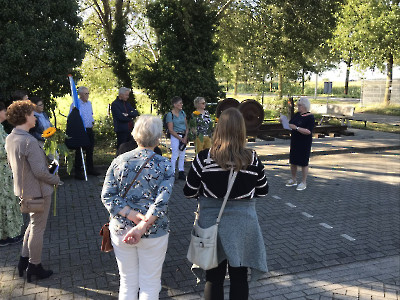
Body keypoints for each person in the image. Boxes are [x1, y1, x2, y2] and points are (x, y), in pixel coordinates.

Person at [183, 107, 269, 300]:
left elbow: (188, 192)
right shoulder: (252, 158)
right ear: (242, 130)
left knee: (213, 278)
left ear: (218, 128)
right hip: (243, 225)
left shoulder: (203, 158)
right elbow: (263, 191)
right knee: (239, 277)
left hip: (211, 224)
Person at [101, 115, 174, 300]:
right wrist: (142, 226)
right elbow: (161, 201)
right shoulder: (165, 164)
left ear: (135, 135)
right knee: (150, 284)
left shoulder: (119, 161)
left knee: (127, 283)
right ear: (158, 138)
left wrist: (131, 214)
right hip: (154, 231)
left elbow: (107, 195)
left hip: (121, 230)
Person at [5, 100, 61, 282]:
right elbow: (39, 172)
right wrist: (56, 179)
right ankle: (34, 265)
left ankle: (23, 260)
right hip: (38, 191)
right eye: (32, 114)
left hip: (24, 190)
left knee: (32, 224)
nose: (35, 117)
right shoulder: (28, 141)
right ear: (24, 117)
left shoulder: (11, 137)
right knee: (38, 228)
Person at [0, 101, 23, 247]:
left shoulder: (1, 127)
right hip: (2, 173)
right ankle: (7, 235)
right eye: (4, 111)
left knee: (8, 200)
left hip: (5, 171)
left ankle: (9, 233)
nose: (6, 114)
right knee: (5, 201)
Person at [69, 86, 99, 179]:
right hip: (81, 130)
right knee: (80, 151)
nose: (87, 95)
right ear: (80, 94)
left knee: (90, 150)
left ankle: (90, 168)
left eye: (88, 93)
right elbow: (72, 118)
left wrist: (92, 121)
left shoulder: (89, 103)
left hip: (89, 129)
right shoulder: (75, 104)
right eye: (85, 94)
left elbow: (91, 114)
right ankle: (78, 172)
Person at [285, 97, 315, 191]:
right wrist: (285, 123)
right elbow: (291, 125)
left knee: (303, 162)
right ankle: (294, 179)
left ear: (305, 106)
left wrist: (297, 128)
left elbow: (308, 131)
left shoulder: (310, 117)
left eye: (300, 105)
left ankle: (303, 182)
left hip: (304, 143)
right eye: (298, 105)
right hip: (295, 141)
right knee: (293, 161)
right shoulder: (297, 114)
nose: (298, 107)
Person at [165, 96, 188, 180]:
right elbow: (171, 130)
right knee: (175, 154)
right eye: (180, 103)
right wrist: (180, 138)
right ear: (175, 105)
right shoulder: (170, 115)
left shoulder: (182, 113)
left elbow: (186, 126)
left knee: (182, 154)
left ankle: (181, 172)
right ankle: (172, 172)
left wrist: (185, 136)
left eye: (181, 103)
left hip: (183, 135)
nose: (181, 104)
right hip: (175, 135)